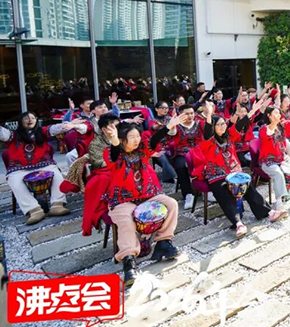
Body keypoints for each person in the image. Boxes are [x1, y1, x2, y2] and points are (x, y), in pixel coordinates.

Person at [105, 118, 182, 287]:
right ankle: (128, 261)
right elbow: (115, 154)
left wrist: (168, 126)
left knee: (171, 204)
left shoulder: (143, 151)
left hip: (148, 194)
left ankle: (163, 242)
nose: (137, 140)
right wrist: (115, 140)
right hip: (123, 199)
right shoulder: (113, 154)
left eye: (138, 136)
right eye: (132, 137)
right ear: (122, 139)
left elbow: (154, 141)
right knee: (126, 220)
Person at [193, 100, 271, 238]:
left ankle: (267, 212)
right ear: (213, 127)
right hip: (216, 175)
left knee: (249, 188)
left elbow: (239, 125)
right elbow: (207, 132)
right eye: (219, 124)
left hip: (233, 171)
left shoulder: (229, 136)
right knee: (224, 193)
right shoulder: (208, 142)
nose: (222, 126)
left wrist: (252, 112)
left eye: (223, 123)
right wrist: (209, 115)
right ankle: (238, 223)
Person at [0, 113, 85, 224]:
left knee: (58, 176)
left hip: (45, 165)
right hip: (19, 169)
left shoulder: (42, 131)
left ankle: (57, 204)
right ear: (21, 121)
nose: (30, 120)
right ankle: (33, 210)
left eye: (32, 118)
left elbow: (56, 128)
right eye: (26, 118)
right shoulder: (12, 135)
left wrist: (70, 124)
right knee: (14, 182)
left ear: (36, 120)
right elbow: (0, 132)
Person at [166, 104, 205, 209]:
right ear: (180, 115)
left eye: (192, 113)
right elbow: (172, 133)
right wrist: (173, 125)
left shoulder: (199, 123)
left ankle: (208, 190)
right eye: (187, 114)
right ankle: (188, 194)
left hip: (199, 152)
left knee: (209, 162)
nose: (190, 116)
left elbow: (208, 131)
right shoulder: (177, 125)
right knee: (180, 166)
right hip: (182, 153)